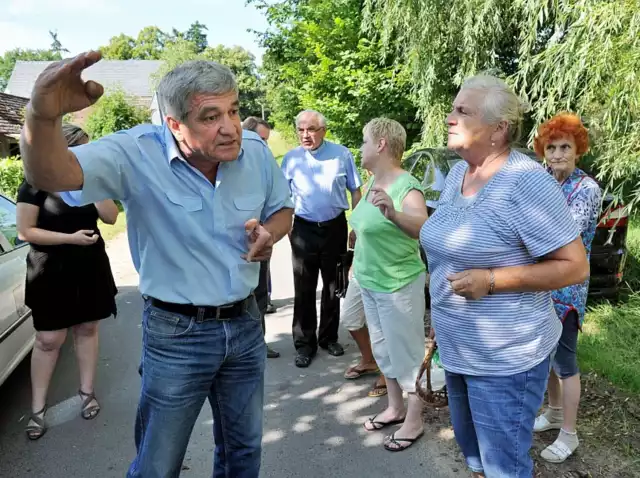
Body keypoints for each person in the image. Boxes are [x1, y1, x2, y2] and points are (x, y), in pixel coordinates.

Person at [20, 52, 293, 478]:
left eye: (234, 110)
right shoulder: (134, 153)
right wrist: (41, 117)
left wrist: (270, 234)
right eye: (211, 116)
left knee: (243, 454)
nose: (231, 126)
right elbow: (53, 175)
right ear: (175, 125)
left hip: (245, 326)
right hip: (176, 335)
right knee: (157, 465)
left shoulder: (255, 152)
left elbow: (283, 209)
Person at [384, 75, 589, 476]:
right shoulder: (461, 173)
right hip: (459, 348)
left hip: (506, 359)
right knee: (475, 457)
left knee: (504, 467)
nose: (449, 117)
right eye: (453, 108)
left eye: (463, 111)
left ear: (498, 130)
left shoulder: (526, 182)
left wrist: (492, 280)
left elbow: (575, 266)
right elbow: (441, 237)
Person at [17, 124, 119, 440]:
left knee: (88, 329)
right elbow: (25, 231)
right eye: (81, 149)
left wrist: (95, 182)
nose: (85, 155)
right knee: (48, 339)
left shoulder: (89, 181)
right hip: (50, 270)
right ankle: (37, 410)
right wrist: (69, 239)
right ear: (62, 149)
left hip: (89, 265)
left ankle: (87, 393)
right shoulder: (34, 184)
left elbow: (112, 218)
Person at [349, 118, 428, 452]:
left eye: (365, 141)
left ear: (381, 144)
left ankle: (415, 417)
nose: (361, 148)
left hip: (398, 283)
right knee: (382, 349)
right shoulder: (371, 182)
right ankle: (395, 407)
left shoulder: (406, 185)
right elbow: (366, 222)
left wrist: (395, 214)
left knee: (407, 353)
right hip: (369, 279)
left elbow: (423, 226)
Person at [533, 113, 602, 463]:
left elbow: (561, 236)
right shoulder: (543, 180)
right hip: (540, 283)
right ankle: (554, 411)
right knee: (545, 353)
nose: (558, 154)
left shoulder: (586, 189)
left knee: (565, 359)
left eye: (565, 147)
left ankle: (569, 433)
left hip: (567, 288)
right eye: (551, 147)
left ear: (578, 150)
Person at [281, 110, 363, 368]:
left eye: (312, 129)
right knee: (304, 287)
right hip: (303, 229)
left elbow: (356, 191)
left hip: (335, 226)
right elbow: (282, 197)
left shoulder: (342, 154)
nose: (306, 135)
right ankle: (305, 344)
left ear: (323, 131)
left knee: (333, 285)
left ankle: (328, 337)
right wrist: (286, 227)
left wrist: (356, 225)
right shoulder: (291, 159)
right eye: (302, 130)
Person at [242, 116, 279, 358]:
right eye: (261, 140)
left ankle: (259, 344)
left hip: (260, 240)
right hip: (237, 248)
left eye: (266, 141)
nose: (265, 146)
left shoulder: (262, 167)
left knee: (261, 296)